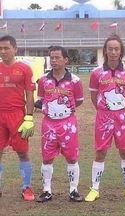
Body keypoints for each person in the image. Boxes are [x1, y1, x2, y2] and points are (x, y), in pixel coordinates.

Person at [85, 34, 125, 202]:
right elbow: (94, 97)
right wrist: (105, 110)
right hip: (103, 116)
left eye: (117, 49)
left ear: (121, 51)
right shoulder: (96, 73)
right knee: (100, 152)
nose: (114, 52)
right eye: (110, 49)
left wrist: (119, 109)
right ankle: (95, 189)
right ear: (105, 51)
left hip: (122, 117)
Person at [36, 46, 84, 202]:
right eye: (52, 58)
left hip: (68, 124)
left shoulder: (75, 80)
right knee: (47, 158)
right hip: (48, 124)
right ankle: (47, 190)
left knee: (71, 158)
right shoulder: (43, 79)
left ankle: (73, 190)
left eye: (57, 57)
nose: (54, 61)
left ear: (66, 60)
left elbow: (79, 101)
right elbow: (42, 98)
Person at [0, 35, 35, 201]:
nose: (3, 51)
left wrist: (29, 117)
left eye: (6, 48)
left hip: (17, 116)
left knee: (22, 152)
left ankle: (26, 187)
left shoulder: (24, 69)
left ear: (15, 49)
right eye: (0, 48)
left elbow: (29, 94)